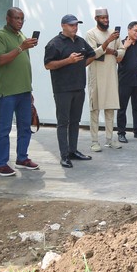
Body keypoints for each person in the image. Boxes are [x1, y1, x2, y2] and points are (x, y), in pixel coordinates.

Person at [0, 7, 40, 176]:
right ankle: (0, 163)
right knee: (4, 128)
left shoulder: (21, 36)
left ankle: (22, 157)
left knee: (25, 127)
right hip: (9, 91)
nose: (20, 21)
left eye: (22, 19)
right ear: (8, 19)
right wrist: (21, 47)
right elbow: (1, 60)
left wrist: (30, 89)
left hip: (25, 91)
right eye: (17, 18)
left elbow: (23, 65)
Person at [44, 14, 96, 168]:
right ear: (63, 26)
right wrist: (69, 61)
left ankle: (73, 151)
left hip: (79, 88)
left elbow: (92, 55)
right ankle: (64, 155)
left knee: (75, 121)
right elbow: (48, 65)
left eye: (76, 25)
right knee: (63, 123)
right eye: (72, 25)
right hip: (63, 89)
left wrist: (79, 65)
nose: (75, 27)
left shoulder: (80, 41)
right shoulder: (54, 44)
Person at [85, 8, 123, 152]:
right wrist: (107, 42)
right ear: (96, 19)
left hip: (111, 75)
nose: (106, 20)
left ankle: (109, 139)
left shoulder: (114, 33)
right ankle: (94, 141)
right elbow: (92, 53)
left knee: (110, 108)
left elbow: (122, 51)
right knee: (94, 109)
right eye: (102, 18)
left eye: (107, 17)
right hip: (96, 75)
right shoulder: (91, 33)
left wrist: (113, 51)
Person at [116, 21, 137, 143]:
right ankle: (121, 133)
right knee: (122, 109)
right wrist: (125, 46)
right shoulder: (120, 44)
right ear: (129, 30)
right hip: (123, 81)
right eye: (136, 30)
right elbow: (116, 59)